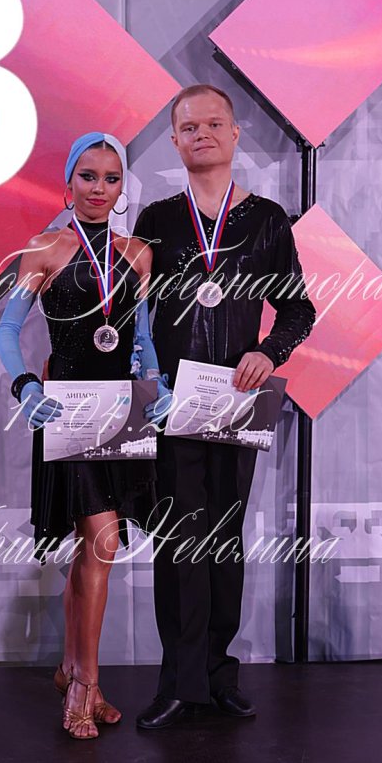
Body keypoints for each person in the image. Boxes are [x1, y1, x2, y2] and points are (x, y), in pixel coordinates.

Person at [133, 84, 317, 729]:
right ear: (175, 141)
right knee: (177, 541)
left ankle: (218, 675)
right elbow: (134, 312)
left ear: (236, 134)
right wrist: (143, 379)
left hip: (237, 402)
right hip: (171, 405)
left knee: (224, 538)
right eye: (189, 127)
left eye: (214, 123)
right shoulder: (157, 220)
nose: (202, 134)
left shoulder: (267, 220)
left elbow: (298, 308)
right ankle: (178, 682)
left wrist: (270, 351)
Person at [0, 132, 167, 740]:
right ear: (68, 184)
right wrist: (25, 387)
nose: (99, 188)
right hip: (65, 411)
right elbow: (7, 331)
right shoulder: (44, 248)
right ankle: (85, 687)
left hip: (120, 413)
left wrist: (157, 383)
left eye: (111, 178)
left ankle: (71, 666)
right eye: (88, 176)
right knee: (103, 541)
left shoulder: (138, 254)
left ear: (123, 188)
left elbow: (141, 336)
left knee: (89, 548)